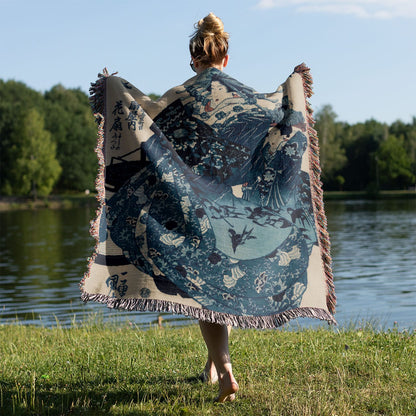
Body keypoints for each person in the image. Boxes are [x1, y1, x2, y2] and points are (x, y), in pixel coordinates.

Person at [188, 12, 239, 403]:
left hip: (197, 204)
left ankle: (225, 372)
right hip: (235, 206)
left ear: (194, 61)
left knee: (206, 296)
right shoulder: (242, 97)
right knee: (223, 289)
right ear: (225, 58)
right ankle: (211, 365)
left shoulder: (182, 96)